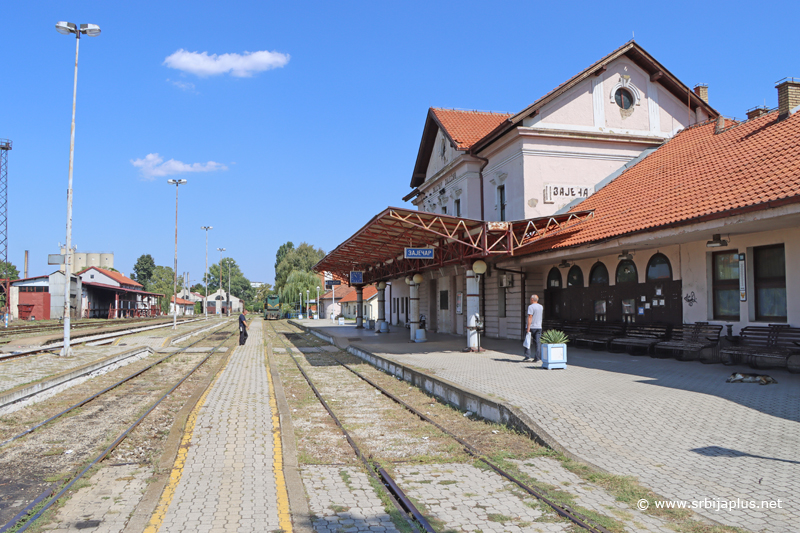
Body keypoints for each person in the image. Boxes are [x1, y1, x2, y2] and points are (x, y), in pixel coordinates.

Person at [524, 294, 543, 362]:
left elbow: (530, 317)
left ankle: (527, 356)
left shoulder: (531, 307)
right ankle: (537, 358)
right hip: (539, 327)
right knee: (538, 343)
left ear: (532, 299)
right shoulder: (541, 307)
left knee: (527, 341)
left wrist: (528, 327)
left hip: (531, 327)